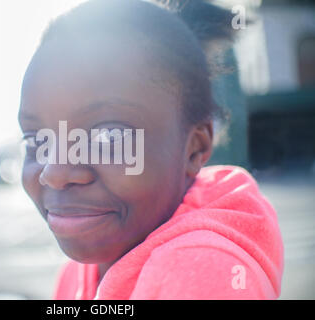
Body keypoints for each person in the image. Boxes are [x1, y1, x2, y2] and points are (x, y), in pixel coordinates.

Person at [17, 0, 284, 299]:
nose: (54, 172)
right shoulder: (77, 271)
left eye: (108, 136)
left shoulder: (200, 273)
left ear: (195, 148)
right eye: (36, 141)